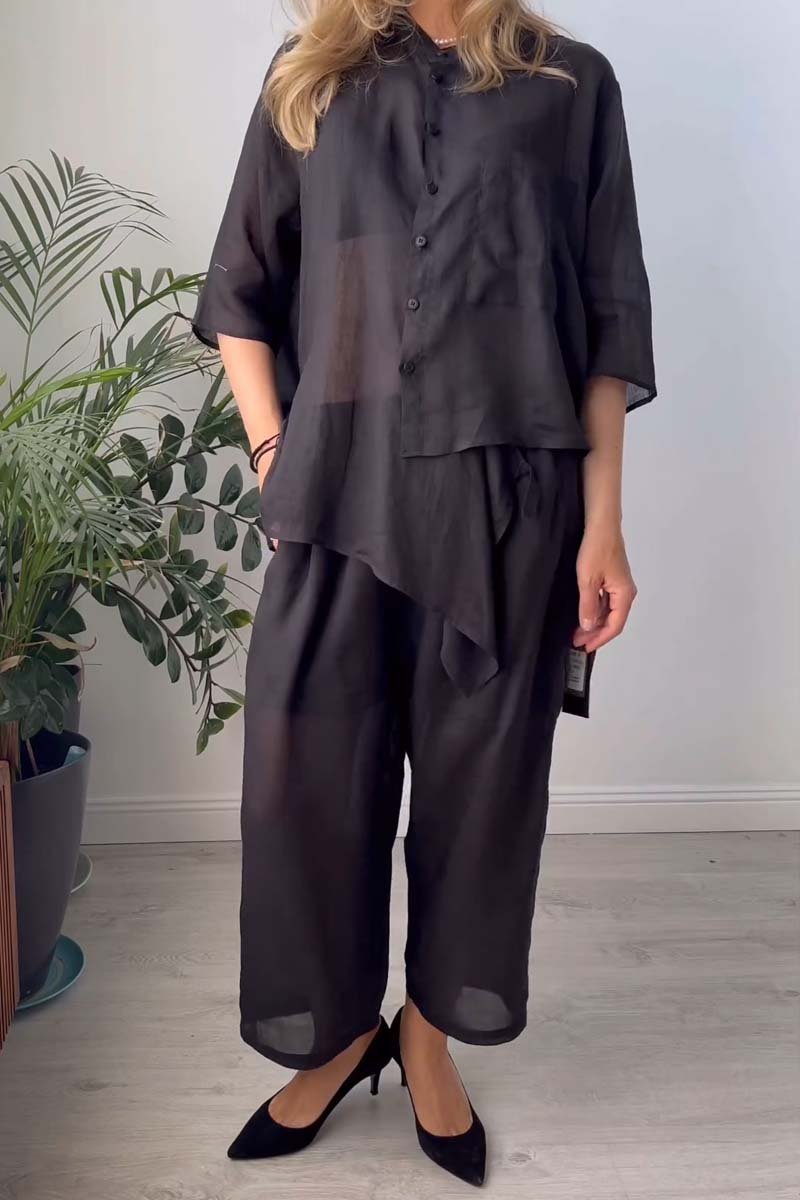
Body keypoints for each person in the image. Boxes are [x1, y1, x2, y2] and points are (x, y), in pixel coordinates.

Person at [190, 0, 656, 1185]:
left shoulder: (570, 86)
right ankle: (339, 1038)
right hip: (338, 497)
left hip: (509, 507)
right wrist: (272, 453)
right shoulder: (314, 78)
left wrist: (602, 525)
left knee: (480, 803)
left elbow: (605, 323)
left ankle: (427, 1039)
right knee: (302, 791)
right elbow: (241, 286)